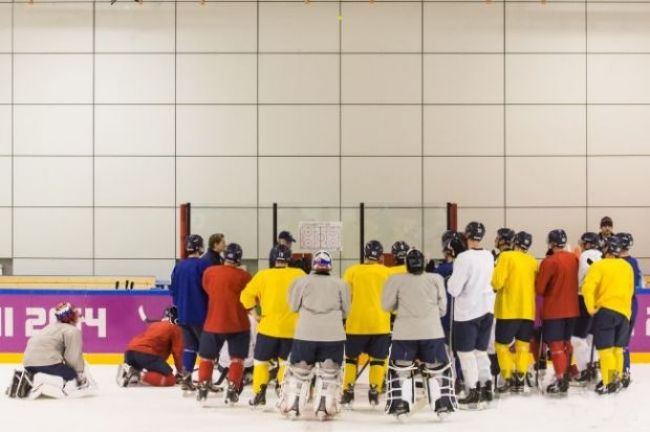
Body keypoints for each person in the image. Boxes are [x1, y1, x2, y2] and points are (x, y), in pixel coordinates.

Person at [383, 249, 456, 419]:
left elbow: (387, 306)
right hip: (432, 332)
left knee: (402, 370)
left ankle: (401, 405)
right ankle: (442, 405)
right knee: (436, 370)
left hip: (404, 333)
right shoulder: (435, 279)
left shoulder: (396, 279)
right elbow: (443, 309)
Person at [279, 250, 350, 420]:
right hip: (333, 335)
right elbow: (346, 310)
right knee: (329, 373)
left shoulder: (300, 282)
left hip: (305, 333)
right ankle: (324, 408)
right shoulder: (341, 284)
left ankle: (292, 406)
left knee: (299, 372)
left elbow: (293, 307)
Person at [240, 244, 305, 407]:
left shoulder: (263, 275)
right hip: (292, 329)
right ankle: (283, 392)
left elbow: (245, 296)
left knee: (261, 362)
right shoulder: (299, 274)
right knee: (286, 363)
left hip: (268, 328)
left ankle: (259, 395)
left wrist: (255, 315)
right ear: (289, 258)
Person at [196, 243, 252, 404]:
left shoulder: (209, 272)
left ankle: (203, 387)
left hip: (214, 322)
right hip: (239, 323)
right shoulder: (244, 276)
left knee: (206, 357)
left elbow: (207, 289)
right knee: (237, 359)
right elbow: (249, 297)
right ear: (239, 259)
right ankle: (232, 389)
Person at [447, 222, 495, 409]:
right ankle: (487, 386)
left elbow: (454, 289)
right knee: (480, 352)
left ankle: (472, 390)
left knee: (465, 354)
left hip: (468, 311)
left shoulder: (463, 259)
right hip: (487, 308)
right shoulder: (488, 255)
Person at [341, 240, 392, 407]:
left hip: (355, 324)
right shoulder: (387, 273)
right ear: (380, 256)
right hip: (380, 324)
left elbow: (344, 297)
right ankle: (374, 391)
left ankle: (348, 392)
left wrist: (342, 318)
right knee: (378, 359)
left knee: (351, 359)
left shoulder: (352, 271)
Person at [582, 235, 634, 395]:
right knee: (617, 350)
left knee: (605, 351)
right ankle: (615, 379)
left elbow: (587, 288)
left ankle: (608, 382)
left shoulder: (599, 266)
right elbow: (631, 290)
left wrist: (591, 308)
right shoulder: (627, 267)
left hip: (606, 312)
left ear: (607, 249)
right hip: (625, 313)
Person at [491, 231, 538, 394]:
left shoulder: (506, 257)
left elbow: (497, 282)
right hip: (528, 311)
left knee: (501, 345)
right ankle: (520, 377)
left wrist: (495, 285)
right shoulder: (533, 261)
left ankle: (508, 376)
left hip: (508, 310)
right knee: (523, 346)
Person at [535, 229, 579, 395]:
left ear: (551, 244)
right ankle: (566, 372)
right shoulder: (574, 259)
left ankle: (561, 379)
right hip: (572, 309)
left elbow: (540, 288)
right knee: (567, 343)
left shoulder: (549, 262)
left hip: (554, 310)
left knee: (556, 346)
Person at [19, 302, 95, 399]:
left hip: (28, 364)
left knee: (65, 371)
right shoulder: (72, 330)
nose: (76, 313)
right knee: (72, 376)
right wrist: (79, 375)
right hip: (46, 364)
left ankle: (30, 378)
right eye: (73, 311)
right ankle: (39, 384)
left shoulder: (51, 327)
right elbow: (72, 358)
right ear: (69, 316)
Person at [169, 234, 211, 391]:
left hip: (184, 314)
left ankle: (186, 378)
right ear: (200, 247)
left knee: (190, 346)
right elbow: (209, 289)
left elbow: (173, 289)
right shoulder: (203, 265)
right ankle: (205, 381)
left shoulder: (179, 266)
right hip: (201, 314)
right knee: (208, 350)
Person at [116, 306, 183, 388]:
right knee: (170, 379)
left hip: (130, 353)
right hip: (146, 354)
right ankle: (137, 374)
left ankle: (131, 370)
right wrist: (181, 373)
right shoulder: (175, 328)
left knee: (151, 371)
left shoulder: (155, 325)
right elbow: (178, 353)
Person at [571, 232, 602, 384]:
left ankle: (585, 368)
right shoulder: (602, 255)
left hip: (584, 299)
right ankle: (594, 363)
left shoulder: (585, 256)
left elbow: (580, 279)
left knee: (576, 337)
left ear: (588, 243)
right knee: (590, 336)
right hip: (599, 301)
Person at [617, 232, 643, 388]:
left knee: (613, 344)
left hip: (620, 306)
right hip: (632, 304)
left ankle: (612, 376)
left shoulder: (617, 263)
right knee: (623, 343)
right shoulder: (633, 262)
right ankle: (625, 372)